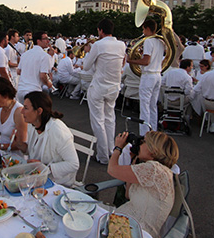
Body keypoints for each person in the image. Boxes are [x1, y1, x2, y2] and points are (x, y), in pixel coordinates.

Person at [108, 131, 179, 238]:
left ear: (153, 149)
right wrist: (133, 161)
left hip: (134, 233)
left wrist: (118, 148)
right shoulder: (157, 171)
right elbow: (128, 195)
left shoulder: (154, 170)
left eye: (143, 142)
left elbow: (112, 169)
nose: (139, 144)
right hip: (127, 224)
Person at [83, 18, 126, 163]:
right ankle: (110, 150)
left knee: (98, 121)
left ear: (100, 30)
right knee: (110, 119)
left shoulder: (98, 45)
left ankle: (102, 156)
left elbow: (86, 66)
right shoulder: (121, 45)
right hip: (114, 87)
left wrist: (88, 52)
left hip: (99, 87)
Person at [15, 91, 79, 187]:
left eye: (26, 108)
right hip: (37, 178)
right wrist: (19, 142)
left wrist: (45, 168)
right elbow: (32, 150)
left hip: (58, 183)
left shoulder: (58, 131)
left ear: (39, 111)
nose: (22, 111)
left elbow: (73, 164)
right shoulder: (33, 124)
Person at [126, 19, 166, 135]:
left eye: (143, 29)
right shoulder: (160, 41)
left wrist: (130, 60)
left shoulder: (148, 41)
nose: (143, 32)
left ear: (148, 29)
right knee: (153, 106)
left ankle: (144, 134)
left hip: (148, 76)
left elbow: (146, 61)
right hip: (157, 75)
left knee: (144, 107)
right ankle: (153, 131)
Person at [0, 77, 27, 150]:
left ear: (5, 95)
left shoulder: (19, 112)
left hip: (15, 157)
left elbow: (22, 144)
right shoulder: (1, 108)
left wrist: (0, 146)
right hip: (2, 152)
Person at [16, 31, 53, 103]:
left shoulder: (25, 54)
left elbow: (19, 71)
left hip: (21, 90)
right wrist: (48, 83)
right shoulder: (45, 56)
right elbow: (42, 76)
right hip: (33, 91)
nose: (48, 41)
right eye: (45, 39)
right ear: (38, 41)